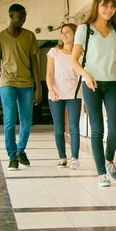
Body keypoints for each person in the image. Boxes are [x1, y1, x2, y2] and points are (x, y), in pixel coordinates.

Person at [72, 0, 116, 187]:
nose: (109, 10)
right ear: (97, 6)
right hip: (91, 83)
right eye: (105, 6)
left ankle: (109, 159)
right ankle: (101, 172)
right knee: (97, 129)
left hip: (111, 83)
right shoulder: (84, 29)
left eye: (112, 6)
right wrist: (86, 75)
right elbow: (74, 60)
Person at [0, 4, 42, 171]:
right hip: (7, 82)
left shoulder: (30, 36)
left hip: (26, 83)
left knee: (27, 122)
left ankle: (20, 150)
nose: (23, 19)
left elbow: (35, 62)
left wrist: (38, 86)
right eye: (20, 17)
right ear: (11, 16)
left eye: (25, 17)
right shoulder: (0, 38)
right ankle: (12, 157)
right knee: (10, 121)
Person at [46, 23, 82, 169]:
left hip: (74, 93)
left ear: (75, 34)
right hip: (56, 94)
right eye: (62, 32)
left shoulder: (80, 53)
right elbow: (49, 73)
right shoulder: (54, 52)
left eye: (68, 32)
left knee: (74, 126)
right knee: (59, 127)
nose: (64, 34)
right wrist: (51, 90)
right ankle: (62, 157)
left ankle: (74, 157)